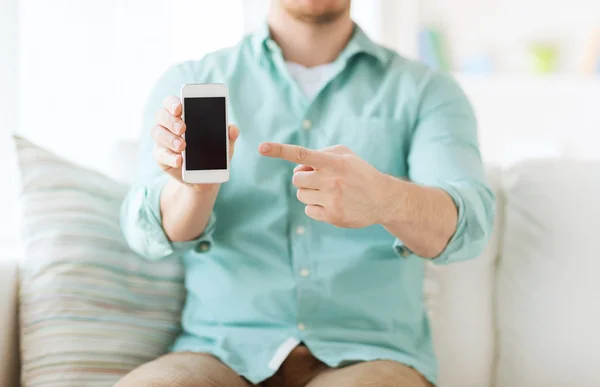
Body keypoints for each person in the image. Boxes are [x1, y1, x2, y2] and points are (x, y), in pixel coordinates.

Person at [117, 0, 495, 386]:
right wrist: (194, 191)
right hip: (220, 354)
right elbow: (144, 234)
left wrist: (385, 198)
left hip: (367, 361)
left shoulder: (426, 90)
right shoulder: (192, 80)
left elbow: (471, 226)